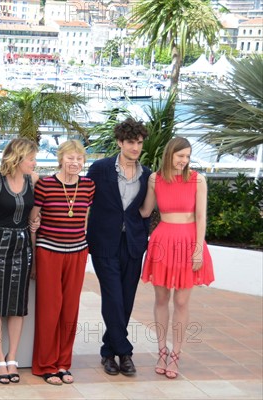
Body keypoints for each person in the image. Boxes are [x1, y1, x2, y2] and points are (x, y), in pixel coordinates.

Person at [139, 137, 214, 379]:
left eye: (188, 156)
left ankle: (176, 355)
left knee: (181, 302)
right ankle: (161, 350)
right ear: (169, 154)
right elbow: (145, 211)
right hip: (162, 241)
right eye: (180, 155)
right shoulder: (155, 179)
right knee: (161, 299)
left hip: (189, 242)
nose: (184, 160)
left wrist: (199, 249)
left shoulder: (197, 180)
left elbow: (201, 217)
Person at [86, 118, 151, 376]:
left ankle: (108, 352)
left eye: (139, 143)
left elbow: (145, 211)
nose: (135, 147)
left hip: (133, 243)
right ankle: (124, 352)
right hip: (103, 242)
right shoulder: (100, 169)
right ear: (119, 143)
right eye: (131, 142)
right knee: (112, 296)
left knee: (125, 299)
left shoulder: (147, 175)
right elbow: (83, 200)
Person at [29, 140, 95, 385]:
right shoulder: (45, 185)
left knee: (70, 309)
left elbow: (85, 218)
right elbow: (33, 220)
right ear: (60, 159)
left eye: (79, 159)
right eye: (70, 158)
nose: (74, 163)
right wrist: (35, 259)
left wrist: (82, 242)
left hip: (77, 252)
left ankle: (63, 363)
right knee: (49, 309)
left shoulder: (88, 186)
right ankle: (45, 364)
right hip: (49, 252)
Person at [0, 138, 39, 385]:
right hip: (0, 243)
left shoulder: (33, 180)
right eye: (31, 158)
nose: (34, 163)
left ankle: (12, 356)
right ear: (17, 158)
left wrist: (35, 255)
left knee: (17, 304)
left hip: (23, 245)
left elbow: (35, 218)